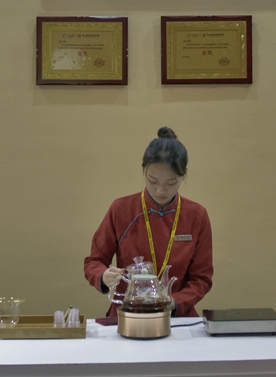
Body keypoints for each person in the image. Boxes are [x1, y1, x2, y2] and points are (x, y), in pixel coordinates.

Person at [84, 127, 213, 317]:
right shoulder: (121, 209)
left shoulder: (196, 215)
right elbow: (94, 261)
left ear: (184, 175)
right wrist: (103, 276)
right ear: (143, 170)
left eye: (171, 183)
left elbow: (201, 278)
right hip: (129, 313)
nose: (161, 190)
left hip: (177, 316)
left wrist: (176, 302)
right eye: (153, 181)